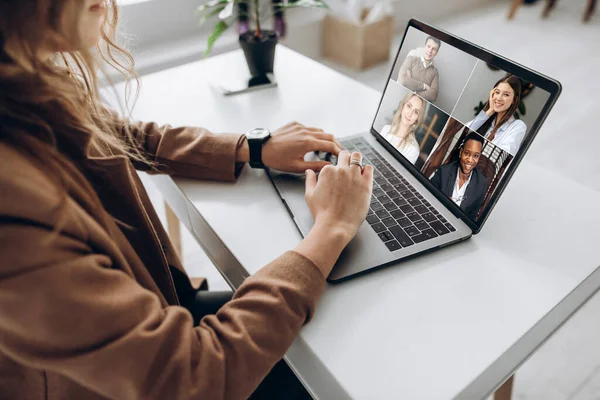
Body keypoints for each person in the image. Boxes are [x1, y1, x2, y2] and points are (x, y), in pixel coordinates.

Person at [0, 1, 374, 399]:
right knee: (350, 363)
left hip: (159, 316)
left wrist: (253, 147)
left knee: (341, 325)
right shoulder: (14, 211)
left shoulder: (27, 85)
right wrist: (330, 229)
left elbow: (127, 136)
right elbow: (193, 376)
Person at [430, 133, 488, 220]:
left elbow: (472, 217)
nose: (470, 160)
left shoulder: (481, 184)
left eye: (475, 156)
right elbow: (428, 197)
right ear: (461, 152)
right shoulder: (443, 172)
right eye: (467, 153)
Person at [466, 75, 527, 155]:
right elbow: (462, 132)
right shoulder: (487, 120)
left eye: (506, 95)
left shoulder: (518, 126)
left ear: (514, 100)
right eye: (497, 92)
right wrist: (490, 110)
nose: (499, 98)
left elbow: (502, 155)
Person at [380, 92, 425, 164]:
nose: (410, 114)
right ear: (403, 105)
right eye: (409, 106)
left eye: (416, 112)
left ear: (417, 118)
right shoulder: (386, 129)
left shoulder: (413, 150)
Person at [396, 36, 440, 102]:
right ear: (425, 46)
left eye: (434, 49)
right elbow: (403, 80)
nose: (430, 51)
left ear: (436, 53)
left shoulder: (435, 72)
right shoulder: (411, 59)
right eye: (428, 46)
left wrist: (413, 92)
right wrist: (424, 86)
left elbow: (433, 95)